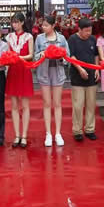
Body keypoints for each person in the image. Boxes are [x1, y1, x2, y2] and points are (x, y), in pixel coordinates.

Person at [34, 14, 70, 147]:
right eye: (42, 25)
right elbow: (35, 56)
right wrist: (41, 54)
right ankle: (48, 133)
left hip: (58, 72)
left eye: (46, 25)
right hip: (44, 72)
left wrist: (61, 56)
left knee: (57, 103)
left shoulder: (61, 38)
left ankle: (58, 133)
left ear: (53, 25)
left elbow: (67, 56)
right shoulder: (39, 38)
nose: (43, 27)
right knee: (47, 103)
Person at [68, 17, 99, 141]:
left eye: (90, 30)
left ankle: (90, 129)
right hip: (77, 77)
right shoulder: (72, 39)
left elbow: (96, 55)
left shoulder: (93, 39)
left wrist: (97, 69)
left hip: (92, 76)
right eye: (86, 31)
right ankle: (77, 131)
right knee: (78, 105)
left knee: (91, 105)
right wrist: (80, 69)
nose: (88, 33)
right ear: (79, 29)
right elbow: (71, 56)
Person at [7, 12, 34, 148]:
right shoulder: (9, 37)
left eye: (17, 22)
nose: (15, 25)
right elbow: (7, 53)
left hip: (24, 70)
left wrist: (18, 57)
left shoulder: (29, 37)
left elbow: (31, 55)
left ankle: (24, 135)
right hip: (13, 71)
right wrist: (9, 58)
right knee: (14, 105)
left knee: (25, 105)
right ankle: (17, 135)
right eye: (13, 22)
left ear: (22, 22)